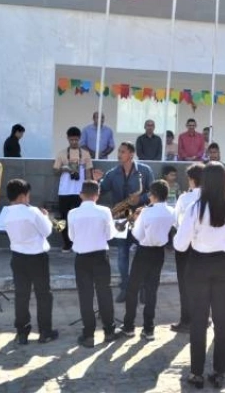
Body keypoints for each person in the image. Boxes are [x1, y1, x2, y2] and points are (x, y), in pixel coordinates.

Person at [174, 162, 225, 389]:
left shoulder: (195, 208)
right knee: (223, 321)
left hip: (199, 265)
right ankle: (220, 371)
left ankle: (196, 372)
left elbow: (179, 244)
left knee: (198, 320)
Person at [3, 179, 58, 345]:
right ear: (22, 196)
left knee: (21, 296)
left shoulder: (6, 212)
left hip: (17, 257)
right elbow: (47, 231)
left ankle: (22, 332)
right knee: (43, 296)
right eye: (28, 195)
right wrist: (46, 217)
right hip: (37, 257)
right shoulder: (32, 212)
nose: (29, 198)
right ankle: (45, 332)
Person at [67, 180, 120, 348]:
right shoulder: (104, 211)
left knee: (85, 296)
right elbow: (110, 235)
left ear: (81, 194)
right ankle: (109, 331)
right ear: (97, 195)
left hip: (82, 258)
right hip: (100, 257)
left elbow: (71, 237)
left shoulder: (73, 213)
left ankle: (88, 335)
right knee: (105, 293)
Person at [99, 142, 154, 303]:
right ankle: (125, 288)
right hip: (121, 216)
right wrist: (96, 181)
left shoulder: (144, 170)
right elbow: (100, 191)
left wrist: (141, 198)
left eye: (122, 152)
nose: (119, 154)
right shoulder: (112, 173)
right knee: (122, 254)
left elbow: (152, 191)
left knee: (142, 254)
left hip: (139, 216)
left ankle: (143, 288)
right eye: (119, 151)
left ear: (131, 154)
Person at [122, 180, 174, 341]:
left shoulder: (146, 212)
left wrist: (135, 219)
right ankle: (148, 329)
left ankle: (129, 327)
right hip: (159, 253)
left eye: (150, 194)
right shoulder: (171, 210)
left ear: (154, 195)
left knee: (133, 289)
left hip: (144, 251)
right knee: (152, 290)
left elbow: (137, 235)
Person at [169, 163, 204, 333]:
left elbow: (176, 221)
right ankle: (204, 317)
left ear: (191, 180)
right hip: (205, 246)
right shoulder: (213, 197)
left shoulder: (185, 198)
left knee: (185, 283)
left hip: (186, 244)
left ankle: (186, 320)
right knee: (203, 283)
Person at [53, 127, 94, 252]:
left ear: (79, 139)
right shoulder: (61, 153)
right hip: (64, 190)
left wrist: (88, 190)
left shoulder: (85, 154)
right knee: (63, 217)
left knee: (80, 216)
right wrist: (65, 168)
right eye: (71, 140)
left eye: (76, 140)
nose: (74, 142)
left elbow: (88, 173)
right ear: (67, 139)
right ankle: (66, 243)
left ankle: (78, 242)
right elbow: (55, 171)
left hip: (80, 191)